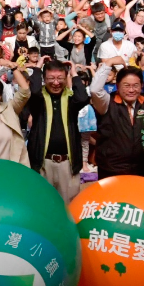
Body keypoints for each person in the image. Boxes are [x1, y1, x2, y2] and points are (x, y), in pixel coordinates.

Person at [89, 53, 144, 178]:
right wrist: (108, 64)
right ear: (117, 86)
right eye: (126, 85)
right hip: (110, 169)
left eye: (135, 85)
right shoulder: (107, 102)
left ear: (142, 86)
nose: (131, 90)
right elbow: (94, 90)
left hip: (141, 168)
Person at [24, 59, 89, 202]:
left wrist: (74, 73)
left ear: (66, 78)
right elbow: (34, 91)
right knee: (42, 205)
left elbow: (83, 98)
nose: (55, 82)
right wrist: (38, 66)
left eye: (60, 78)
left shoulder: (71, 99)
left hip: (67, 163)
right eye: (51, 78)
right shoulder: (39, 99)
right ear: (44, 79)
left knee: (68, 208)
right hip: (43, 162)